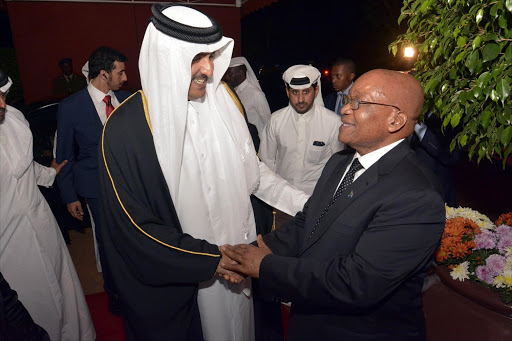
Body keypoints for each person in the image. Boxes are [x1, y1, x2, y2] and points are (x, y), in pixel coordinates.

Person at [98, 4, 308, 340]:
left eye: (211, 55)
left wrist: (307, 203)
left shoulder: (226, 100)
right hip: (187, 279)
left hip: (243, 267)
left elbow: (254, 174)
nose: (209, 69)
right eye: (197, 57)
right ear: (166, 58)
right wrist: (214, 260)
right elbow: (133, 227)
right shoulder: (125, 130)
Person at [223, 69, 446, 341]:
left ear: (395, 120)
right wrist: (256, 251)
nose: (344, 110)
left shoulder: (416, 195)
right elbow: (309, 220)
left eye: (358, 103)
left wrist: (265, 266)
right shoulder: (340, 163)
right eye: (347, 100)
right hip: (310, 320)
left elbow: (357, 282)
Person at [0, 68, 95, 340]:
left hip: (40, 220)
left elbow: (24, 166)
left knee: (60, 283)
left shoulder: (12, 118)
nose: (3, 105)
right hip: (10, 240)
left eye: (4, 96)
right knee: (30, 299)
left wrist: (51, 173)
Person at [56, 46, 130, 315]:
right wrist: (70, 196)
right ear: (103, 73)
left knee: (132, 236)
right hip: (97, 188)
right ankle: (116, 294)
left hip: (130, 184)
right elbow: (63, 156)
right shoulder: (71, 107)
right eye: (120, 72)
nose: (125, 77)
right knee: (108, 241)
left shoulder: (127, 99)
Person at [259, 64, 344, 196]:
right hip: (283, 199)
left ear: (316, 91)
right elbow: (266, 162)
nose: (300, 99)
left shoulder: (332, 123)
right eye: (295, 92)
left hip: (316, 199)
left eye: (306, 92)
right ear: (287, 92)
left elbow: (338, 167)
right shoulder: (276, 120)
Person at [222, 56, 271, 137]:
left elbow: (268, 122)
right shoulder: (234, 92)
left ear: (241, 72)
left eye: (230, 74)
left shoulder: (256, 94)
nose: (227, 77)